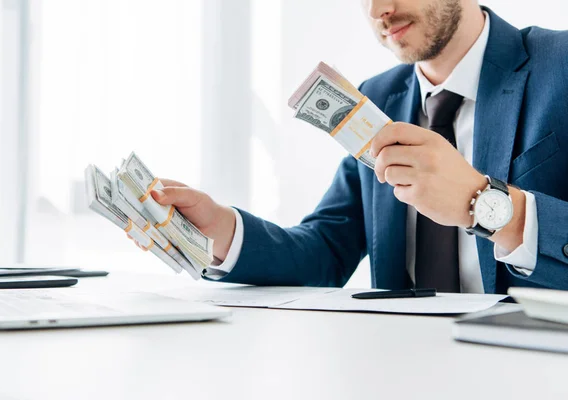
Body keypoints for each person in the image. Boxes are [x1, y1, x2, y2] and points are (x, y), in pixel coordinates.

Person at [151, 0, 568, 294]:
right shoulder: (377, 99)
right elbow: (326, 251)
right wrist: (224, 232)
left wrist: (487, 206)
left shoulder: (560, 63)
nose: (376, 10)